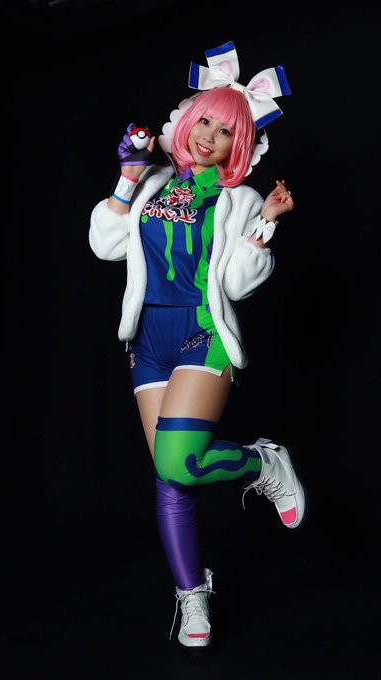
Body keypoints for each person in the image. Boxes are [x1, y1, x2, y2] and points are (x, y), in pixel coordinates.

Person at [89, 40, 306, 651]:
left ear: (241, 146)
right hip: (148, 341)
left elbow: (235, 285)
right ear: (187, 122)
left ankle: (264, 463)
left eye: (226, 131)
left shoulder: (237, 200)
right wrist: (127, 180)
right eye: (205, 121)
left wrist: (264, 227)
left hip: (201, 334)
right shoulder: (152, 183)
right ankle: (191, 594)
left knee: (176, 462)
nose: (210, 136)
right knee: (172, 481)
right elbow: (105, 246)